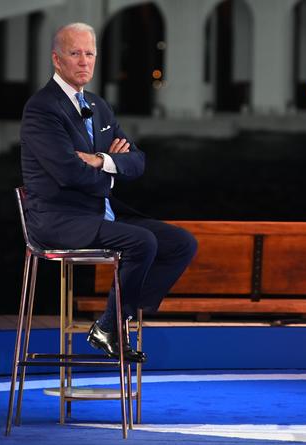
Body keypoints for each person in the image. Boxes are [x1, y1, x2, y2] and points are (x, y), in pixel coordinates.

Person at [20, 22, 197, 363]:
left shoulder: (99, 106)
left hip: (99, 212)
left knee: (181, 243)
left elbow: (138, 161)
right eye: (75, 53)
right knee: (142, 242)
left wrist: (101, 161)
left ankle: (112, 322)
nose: (84, 61)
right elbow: (69, 173)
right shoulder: (42, 108)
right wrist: (113, 168)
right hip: (59, 218)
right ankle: (112, 326)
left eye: (90, 54)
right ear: (57, 60)